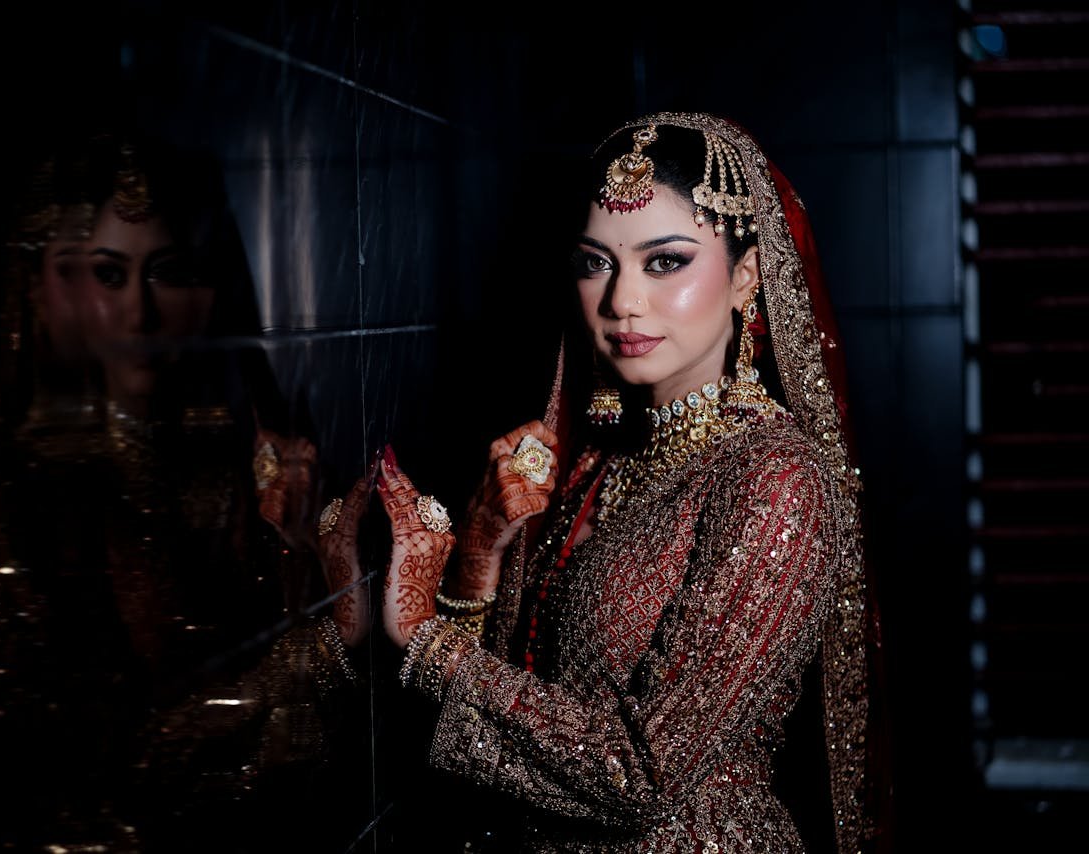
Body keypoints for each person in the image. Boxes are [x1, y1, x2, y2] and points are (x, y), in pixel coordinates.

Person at [377, 112, 886, 853]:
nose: (621, 302)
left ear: (747, 275)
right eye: (595, 263)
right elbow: (514, 703)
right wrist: (479, 553)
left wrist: (426, 640)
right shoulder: (596, 462)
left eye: (665, 261)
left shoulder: (775, 480)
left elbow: (642, 775)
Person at [0, 134, 368, 851]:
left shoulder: (253, 463)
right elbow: (102, 765)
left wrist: (301, 551)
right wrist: (316, 651)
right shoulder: (12, 495)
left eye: (170, 273)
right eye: (107, 274)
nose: (141, 315)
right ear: (45, 287)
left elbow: (322, 749)